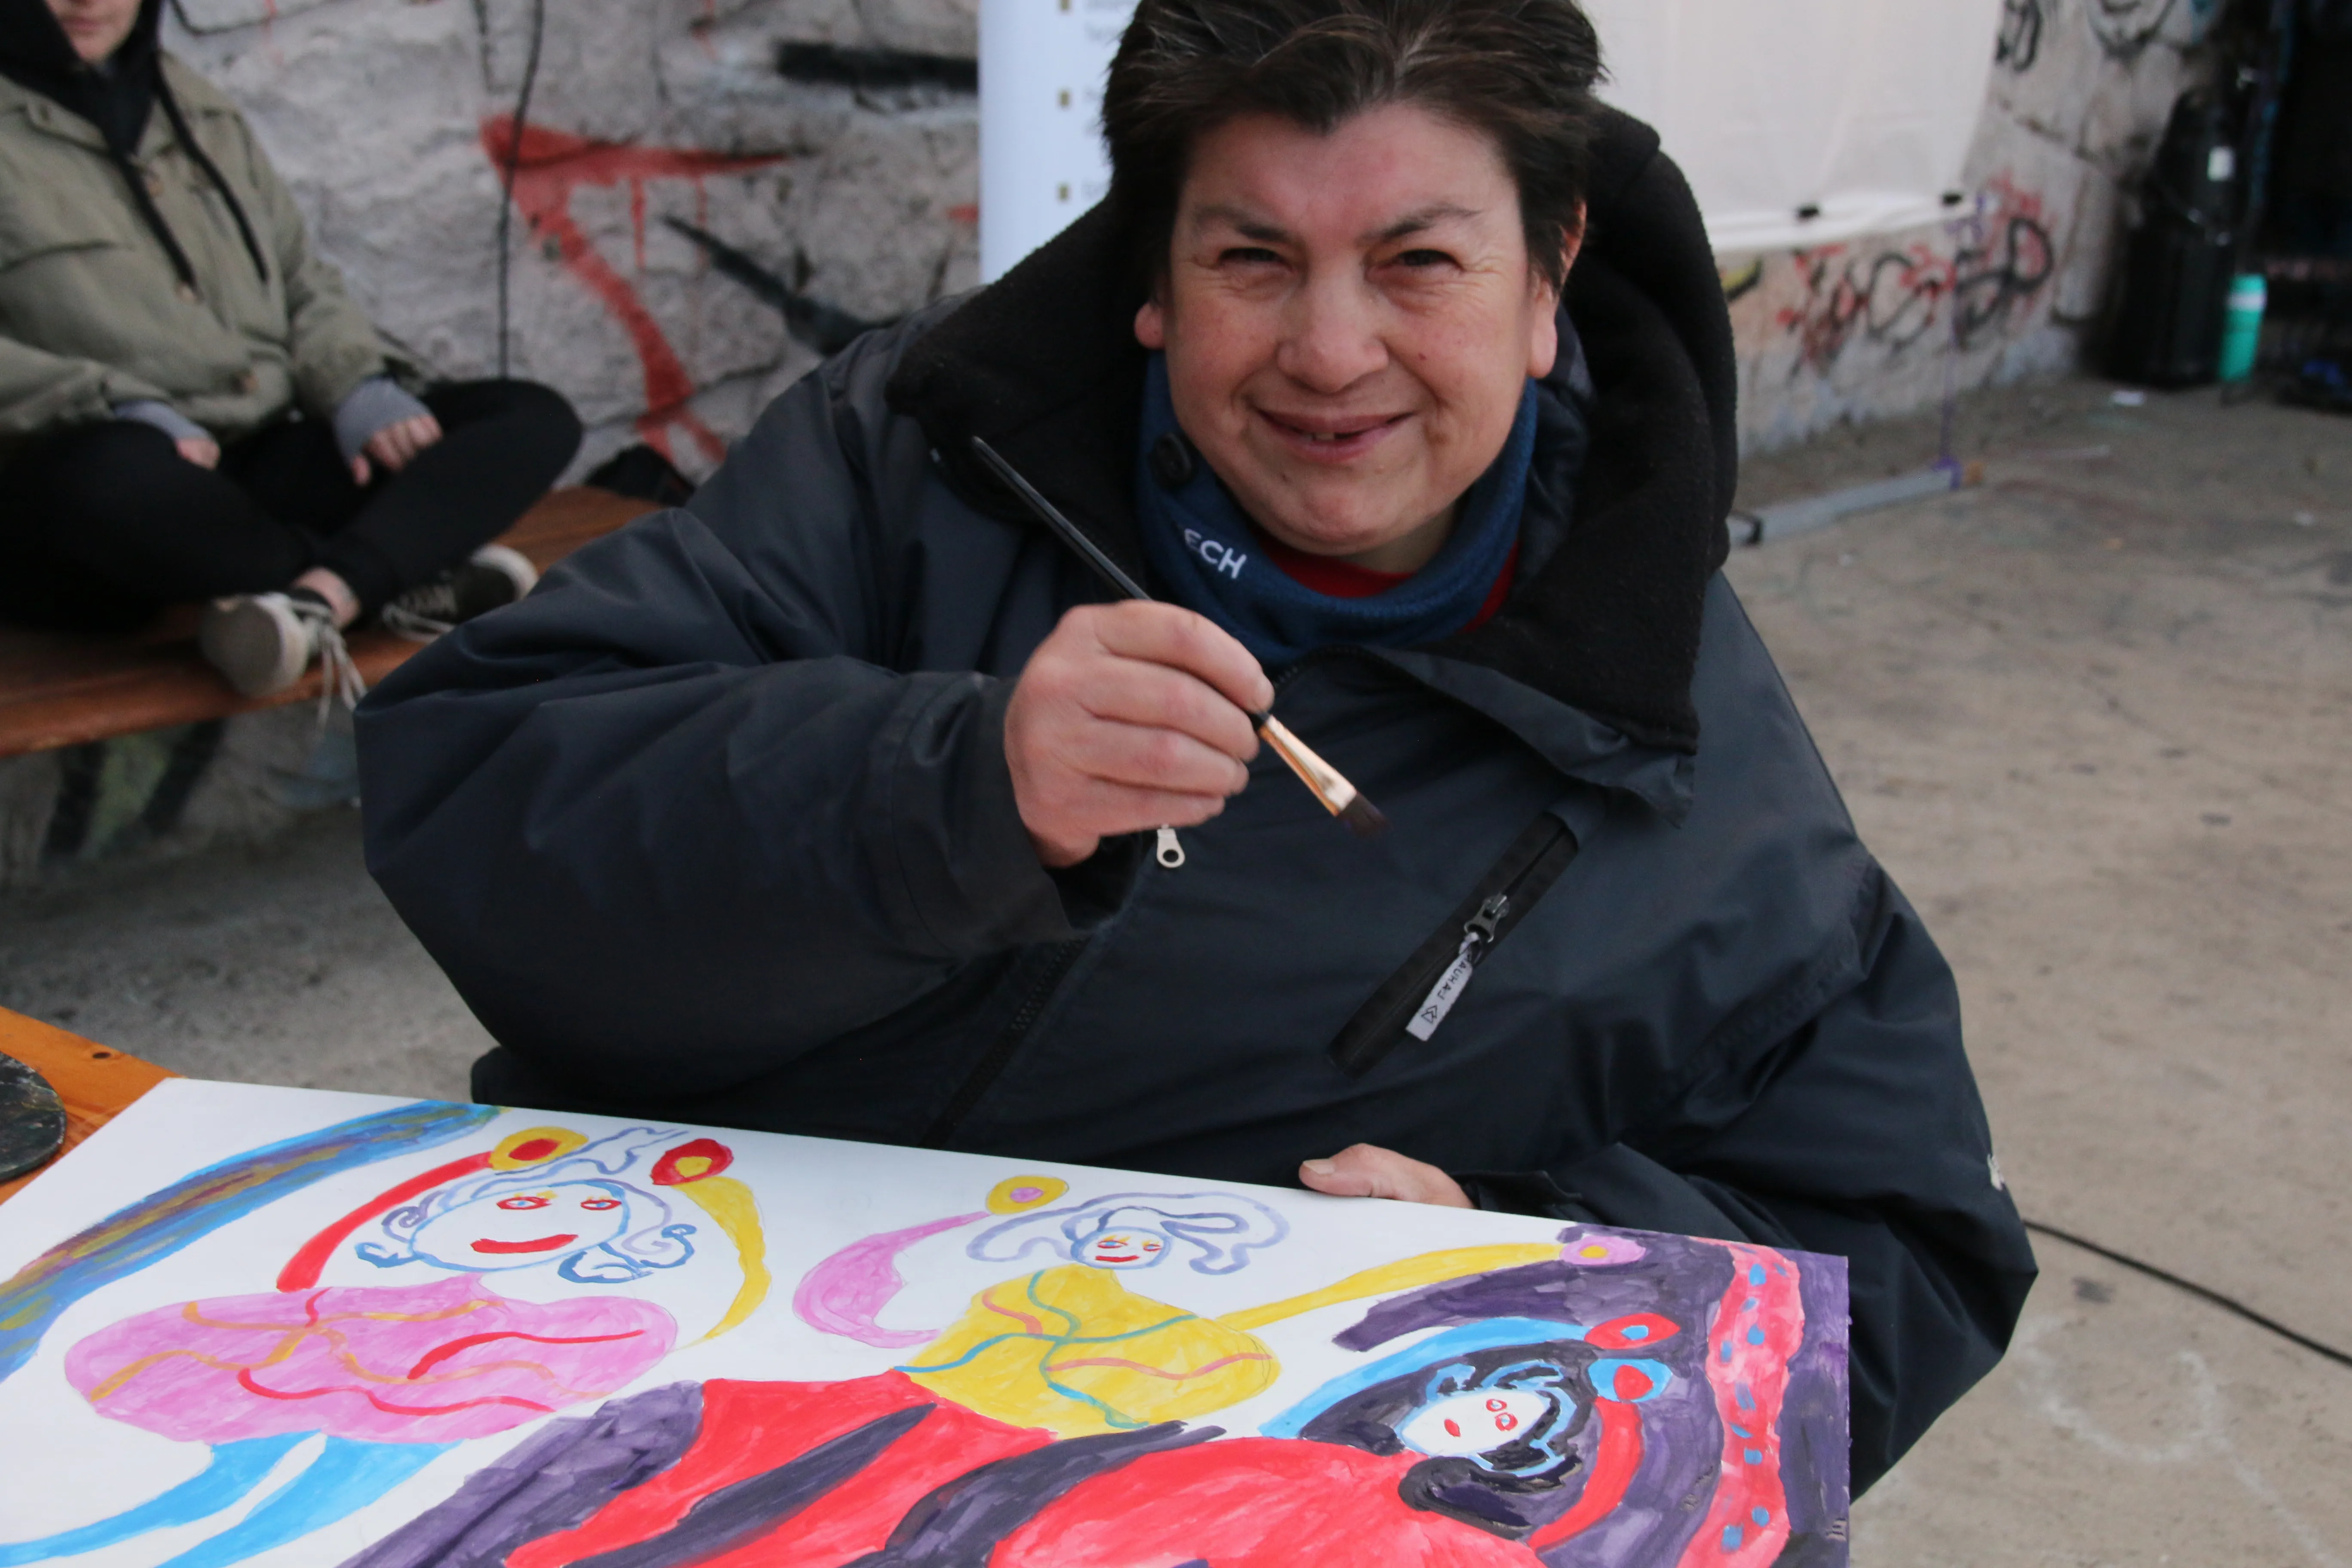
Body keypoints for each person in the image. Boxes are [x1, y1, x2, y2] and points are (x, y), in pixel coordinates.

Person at [358, 0, 2037, 1494]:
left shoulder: (1674, 729)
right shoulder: (923, 459)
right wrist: (950, 786)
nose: (1328, 351)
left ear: (1550, 279)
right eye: (1251, 258)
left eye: (1419, 262)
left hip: (1209, 1487)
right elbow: (472, 795)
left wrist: (1545, 1272)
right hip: (676, 1386)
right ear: (1154, 278)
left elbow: (1900, 1260)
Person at [0, 0, 581, 696]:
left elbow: (299, 276)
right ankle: (387, 577)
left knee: (526, 417)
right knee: (105, 481)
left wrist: (355, 386)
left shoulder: (188, 103)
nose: (89, 2)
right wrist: (120, 403)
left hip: (249, 465)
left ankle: (318, 599)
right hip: (92, 480)